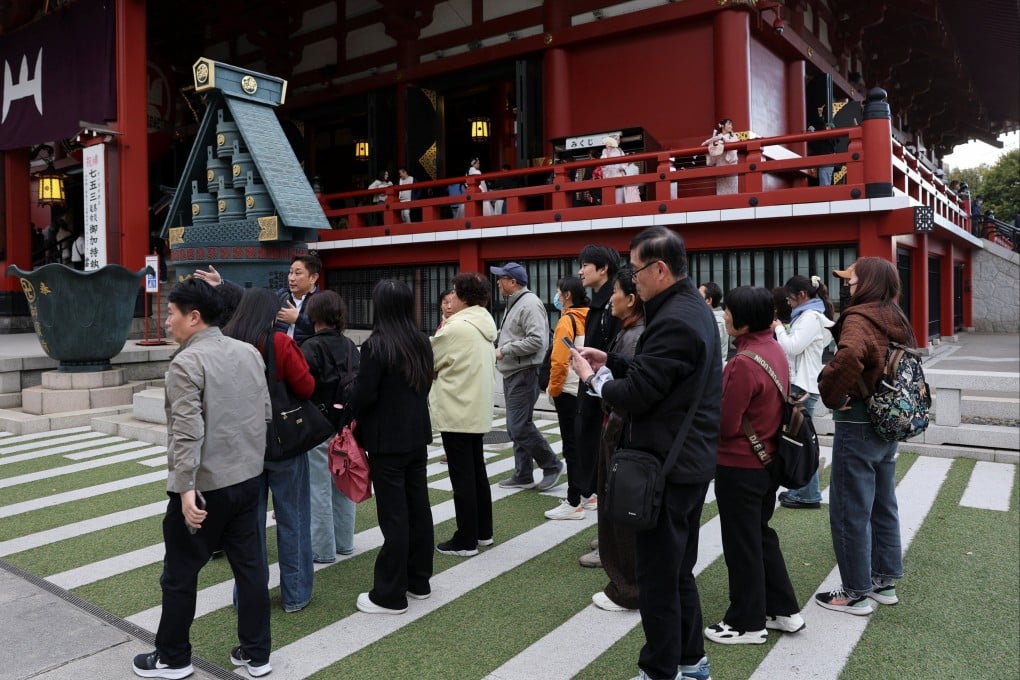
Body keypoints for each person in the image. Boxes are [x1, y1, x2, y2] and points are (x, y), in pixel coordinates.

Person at [570, 226, 721, 680]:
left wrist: (593, 379)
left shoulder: (672, 318)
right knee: (676, 571)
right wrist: (611, 361)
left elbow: (638, 394)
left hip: (668, 465)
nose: (631, 281)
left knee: (657, 577)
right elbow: (662, 373)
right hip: (688, 460)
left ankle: (660, 670)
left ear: (659, 269)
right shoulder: (691, 307)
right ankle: (691, 661)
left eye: (635, 271)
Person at [132, 278, 272, 679]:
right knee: (251, 570)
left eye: (172, 313)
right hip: (247, 480)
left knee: (179, 574)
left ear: (194, 317)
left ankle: (172, 657)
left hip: (205, 488)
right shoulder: (248, 352)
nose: (166, 322)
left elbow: (187, 431)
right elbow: (263, 413)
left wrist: (186, 487)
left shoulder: (186, 363)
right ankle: (256, 654)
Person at [704, 285, 803, 647]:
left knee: (742, 544)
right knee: (759, 536)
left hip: (739, 464)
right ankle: (783, 610)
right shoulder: (773, 348)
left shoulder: (742, 364)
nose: (725, 316)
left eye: (729, 311)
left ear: (744, 321)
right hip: (766, 461)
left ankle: (746, 622)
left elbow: (726, 424)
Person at [815, 257, 911, 616]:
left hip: (857, 421)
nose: (848, 286)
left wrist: (832, 394)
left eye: (852, 280)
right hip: (888, 421)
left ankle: (854, 591)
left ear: (867, 282)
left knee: (850, 509)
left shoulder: (858, 317)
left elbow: (851, 354)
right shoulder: (895, 315)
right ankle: (883, 582)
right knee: (883, 502)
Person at [222, 288, 316, 613]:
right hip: (283, 441)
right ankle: (296, 594)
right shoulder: (279, 342)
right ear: (272, 312)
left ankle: (247, 596)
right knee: (294, 518)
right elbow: (306, 386)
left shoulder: (226, 343)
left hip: (241, 446)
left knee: (248, 526)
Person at [344, 279, 435, 614]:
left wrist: (349, 391)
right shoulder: (420, 341)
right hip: (416, 435)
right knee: (418, 508)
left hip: (386, 440)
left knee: (394, 516)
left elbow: (364, 395)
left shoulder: (376, 345)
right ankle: (419, 581)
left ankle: (390, 594)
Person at [585, 266, 645, 610]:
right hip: (621, 423)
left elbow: (630, 389)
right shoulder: (631, 330)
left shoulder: (637, 333)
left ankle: (627, 585)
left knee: (620, 505)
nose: (610, 301)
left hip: (624, 425)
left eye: (616, 294)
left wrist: (596, 380)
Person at [430, 272, 497, 556]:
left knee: (462, 477)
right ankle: (483, 532)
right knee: (476, 471)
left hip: (457, 406)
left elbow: (430, 360)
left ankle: (465, 538)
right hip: (476, 406)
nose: (451, 299)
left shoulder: (455, 327)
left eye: (455, 293)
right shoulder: (485, 322)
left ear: (465, 297)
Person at [491, 261, 564, 491]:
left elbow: (537, 341)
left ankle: (551, 464)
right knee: (519, 425)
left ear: (513, 282)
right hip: (516, 371)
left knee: (518, 426)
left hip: (524, 372)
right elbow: (515, 333)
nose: (497, 282)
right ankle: (523, 473)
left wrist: (505, 350)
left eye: (501, 278)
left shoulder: (529, 304)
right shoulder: (515, 302)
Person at [301, 290, 360, 564]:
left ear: (314, 315)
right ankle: (345, 542)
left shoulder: (310, 347)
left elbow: (302, 387)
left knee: (318, 487)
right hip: (346, 426)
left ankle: (322, 549)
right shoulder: (350, 345)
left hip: (318, 424)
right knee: (342, 483)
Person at [774, 275, 835, 510]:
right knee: (801, 439)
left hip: (803, 388)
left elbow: (792, 346)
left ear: (801, 296)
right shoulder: (813, 315)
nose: (788, 304)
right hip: (805, 385)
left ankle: (808, 494)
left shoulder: (809, 317)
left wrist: (779, 328)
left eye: (789, 299)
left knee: (801, 442)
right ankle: (803, 490)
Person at [572, 245, 621, 514]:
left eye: (585, 265)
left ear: (603, 269)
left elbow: (615, 350)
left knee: (602, 455)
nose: (580, 271)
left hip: (602, 389)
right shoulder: (600, 302)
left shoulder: (612, 302)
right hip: (595, 383)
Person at [543, 276, 590, 520]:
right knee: (586, 443)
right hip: (588, 387)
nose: (557, 296)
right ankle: (589, 493)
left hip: (569, 391)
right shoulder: (592, 316)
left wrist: (553, 390)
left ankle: (573, 502)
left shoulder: (566, 321)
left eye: (558, 292)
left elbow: (559, 361)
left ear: (567, 296)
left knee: (571, 445)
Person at [703, 118, 740, 194]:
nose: (731, 126)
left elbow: (734, 146)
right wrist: (710, 143)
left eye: (731, 124)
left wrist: (723, 139)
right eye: (729, 124)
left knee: (732, 191)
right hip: (720, 165)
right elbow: (708, 146)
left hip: (730, 166)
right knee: (721, 191)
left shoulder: (734, 137)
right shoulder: (716, 137)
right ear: (723, 126)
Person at [699, 282, 727, 367]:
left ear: (708, 300)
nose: (695, 298)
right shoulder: (710, 318)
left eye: (698, 295)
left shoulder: (718, 322)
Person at [600, 133, 627, 204]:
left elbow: (625, 162)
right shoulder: (604, 151)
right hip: (608, 175)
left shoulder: (620, 150)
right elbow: (602, 163)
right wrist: (607, 154)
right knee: (609, 195)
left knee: (619, 197)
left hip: (618, 174)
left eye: (617, 139)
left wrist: (622, 167)